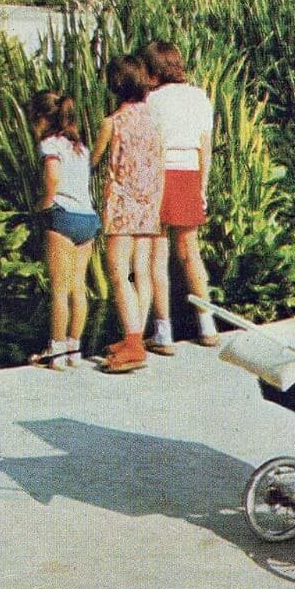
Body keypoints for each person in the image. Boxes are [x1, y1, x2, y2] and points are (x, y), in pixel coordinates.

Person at [141, 41, 221, 352]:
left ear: (152, 71)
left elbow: (152, 145)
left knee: (158, 256)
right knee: (191, 253)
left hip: (161, 174)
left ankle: (163, 332)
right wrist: (202, 186)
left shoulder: (152, 100)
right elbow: (205, 147)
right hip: (190, 174)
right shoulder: (199, 97)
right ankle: (207, 325)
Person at [91, 54, 164, 374]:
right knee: (141, 271)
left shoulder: (112, 123)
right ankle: (135, 336)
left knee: (118, 272)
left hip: (122, 206)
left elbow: (93, 160)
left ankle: (133, 344)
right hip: (149, 205)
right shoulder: (154, 120)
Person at [27, 91, 101, 370]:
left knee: (59, 289)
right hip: (88, 219)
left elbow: (53, 178)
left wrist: (45, 203)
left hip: (63, 216)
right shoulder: (80, 147)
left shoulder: (49, 145)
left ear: (42, 118)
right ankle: (74, 349)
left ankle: (55, 351)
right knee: (78, 288)